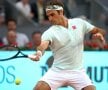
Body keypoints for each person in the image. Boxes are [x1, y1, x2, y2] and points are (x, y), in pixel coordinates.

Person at [28, 0, 106, 90]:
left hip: (78, 72)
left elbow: (99, 30)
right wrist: (39, 53)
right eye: (48, 16)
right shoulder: (50, 32)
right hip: (58, 72)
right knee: (38, 88)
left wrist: (99, 33)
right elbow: (43, 45)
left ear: (60, 12)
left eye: (52, 14)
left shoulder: (79, 23)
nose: (50, 19)